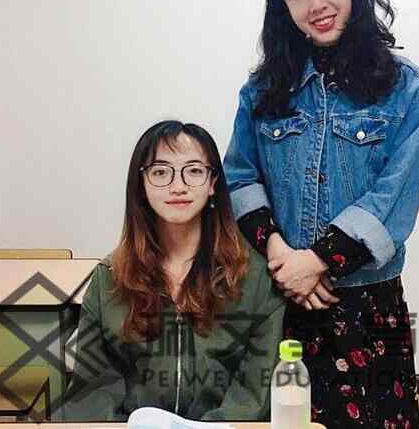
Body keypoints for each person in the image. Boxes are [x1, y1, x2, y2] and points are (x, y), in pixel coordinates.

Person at [223, 0, 419, 428]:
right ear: (283, 9)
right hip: (278, 298)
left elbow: (394, 195)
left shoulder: (408, 90)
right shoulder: (263, 90)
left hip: (365, 304)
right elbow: (238, 177)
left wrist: (318, 260)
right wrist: (280, 254)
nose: (315, 4)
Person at [64, 120, 285, 421]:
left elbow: (255, 388)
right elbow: (93, 389)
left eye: (193, 171)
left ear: (212, 183)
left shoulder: (253, 275)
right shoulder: (110, 277)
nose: (178, 186)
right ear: (141, 185)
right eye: (160, 172)